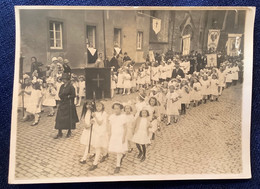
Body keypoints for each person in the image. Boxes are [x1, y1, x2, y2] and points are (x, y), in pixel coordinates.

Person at [54, 73, 79, 139]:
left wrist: (68, 96)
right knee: (59, 118)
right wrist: (62, 96)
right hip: (62, 103)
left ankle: (69, 131)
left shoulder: (71, 87)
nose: (64, 81)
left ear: (68, 80)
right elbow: (59, 94)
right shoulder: (62, 86)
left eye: (65, 79)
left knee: (69, 118)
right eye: (63, 79)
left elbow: (74, 95)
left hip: (69, 104)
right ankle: (59, 132)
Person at [108, 102, 128, 174]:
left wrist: (123, 137)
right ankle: (122, 154)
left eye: (117, 109)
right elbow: (110, 126)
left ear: (121, 109)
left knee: (119, 151)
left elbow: (125, 128)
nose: (116, 110)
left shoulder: (123, 117)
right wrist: (109, 134)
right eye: (115, 108)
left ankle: (118, 165)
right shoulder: (112, 116)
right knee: (116, 149)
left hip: (120, 135)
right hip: (114, 135)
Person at [88, 101, 109, 171]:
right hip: (96, 132)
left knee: (98, 147)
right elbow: (94, 122)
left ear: (102, 106)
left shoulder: (104, 114)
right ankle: (105, 154)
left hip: (101, 132)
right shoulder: (95, 113)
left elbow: (100, 123)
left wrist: (95, 117)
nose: (98, 108)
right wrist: (91, 121)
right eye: (97, 106)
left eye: (100, 106)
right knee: (101, 145)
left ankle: (95, 163)